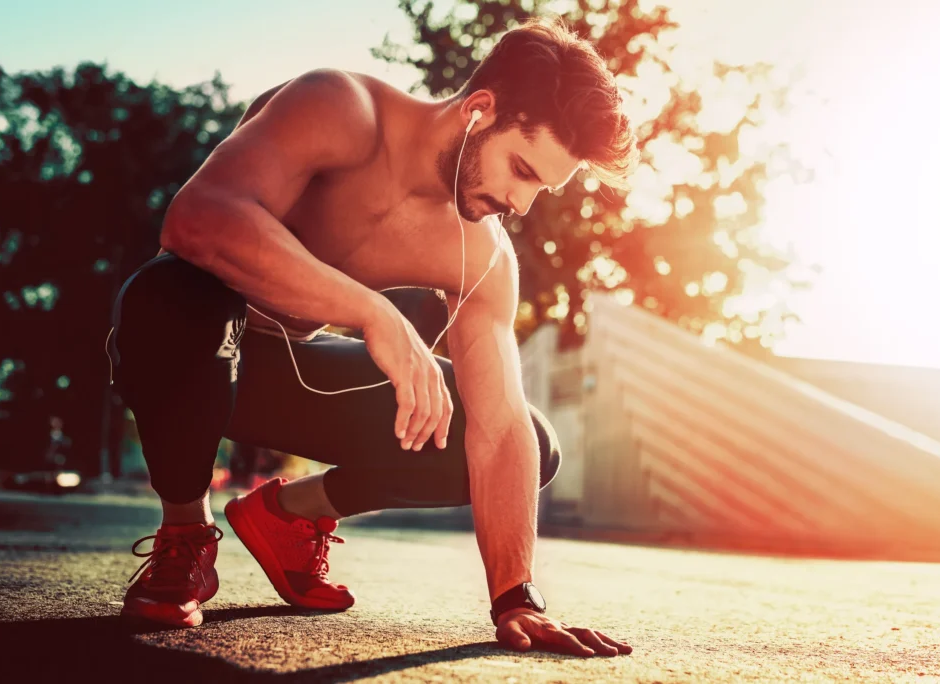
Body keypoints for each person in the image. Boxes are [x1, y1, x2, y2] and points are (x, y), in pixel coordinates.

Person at [108, 15, 636, 657]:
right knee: (167, 295)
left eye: (541, 189)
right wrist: (372, 312)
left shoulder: (484, 256)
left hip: (288, 383)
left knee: (531, 440)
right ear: (479, 109)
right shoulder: (340, 108)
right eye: (521, 170)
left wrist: (516, 596)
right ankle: (186, 531)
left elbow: (497, 430)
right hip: (192, 352)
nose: (522, 204)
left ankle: (287, 515)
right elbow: (199, 219)